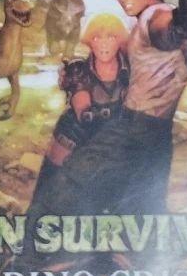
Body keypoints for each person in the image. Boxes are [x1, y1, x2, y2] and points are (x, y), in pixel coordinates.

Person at [99, 0, 187, 213]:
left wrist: (178, 25)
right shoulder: (145, 19)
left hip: (144, 123)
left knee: (139, 198)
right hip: (144, 121)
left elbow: (164, 30)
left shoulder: (156, 13)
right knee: (142, 197)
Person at [28, 14, 130, 218]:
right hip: (72, 142)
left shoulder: (130, 71)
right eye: (97, 37)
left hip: (109, 149)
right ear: (90, 41)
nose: (103, 43)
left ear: (119, 40)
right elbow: (84, 111)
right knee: (47, 202)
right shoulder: (78, 70)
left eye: (110, 37)